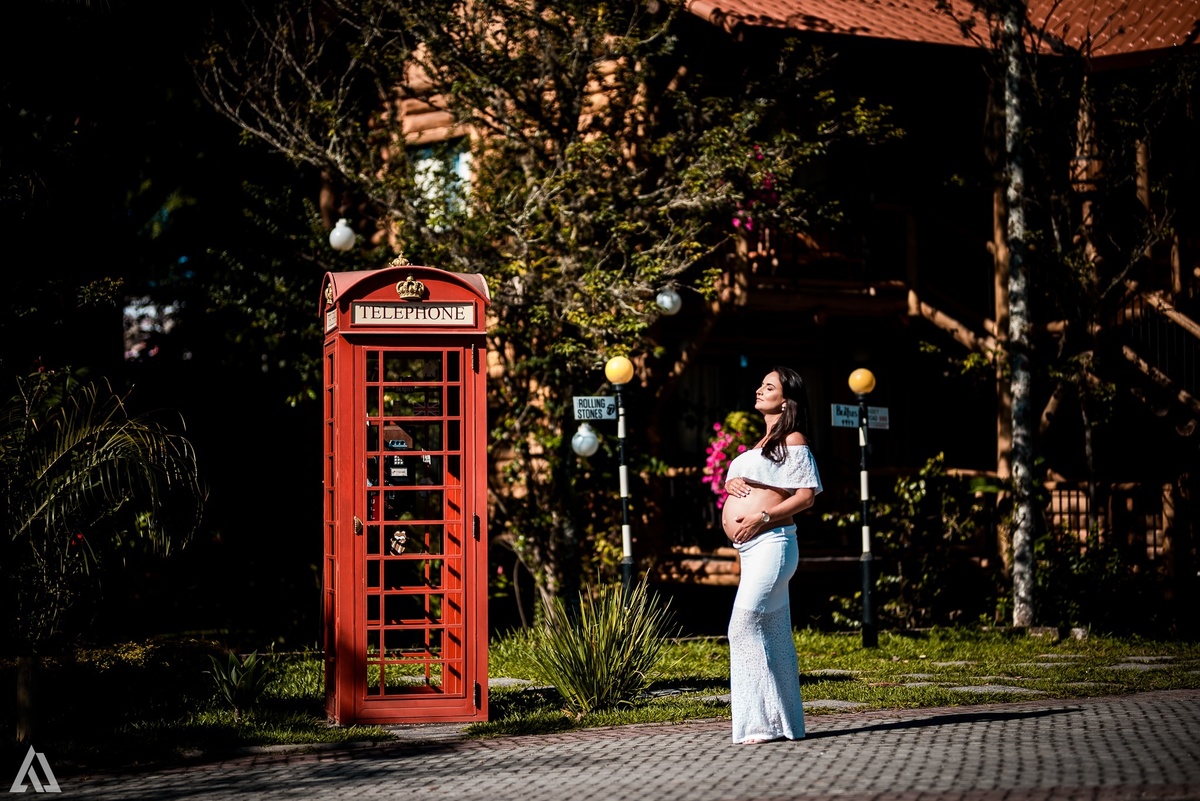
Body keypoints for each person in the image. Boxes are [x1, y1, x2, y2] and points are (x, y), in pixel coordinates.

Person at [721, 366, 822, 744]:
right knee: (775, 635)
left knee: (742, 626)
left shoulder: (792, 439)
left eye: (769, 387)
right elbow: (756, 482)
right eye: (761, 385)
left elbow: (805, 496)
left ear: (785, 400)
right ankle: (787, 723)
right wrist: (732, 482)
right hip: (750, 551)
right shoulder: (759, 444)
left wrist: (762, 517)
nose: (760, 390)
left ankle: (761, 724)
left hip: (773, 544)